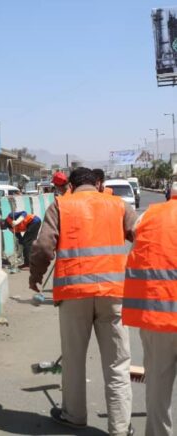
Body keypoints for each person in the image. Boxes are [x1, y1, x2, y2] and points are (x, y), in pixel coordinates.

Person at [29, 167, 136, 435]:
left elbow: (43, 247)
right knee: (118, 364)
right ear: (97, 184)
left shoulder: (61, 205)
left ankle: (74, 416)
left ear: (71, 186)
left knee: (74, 359)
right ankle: (120, 427)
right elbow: (143, 237)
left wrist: (36, 276)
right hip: (113, 293)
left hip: (73, 294)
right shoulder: (118, 205)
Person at [122, 181, 177, 436]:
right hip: (161, 314)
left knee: (157, 386)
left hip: (159, 315)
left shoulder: (149, 216)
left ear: (169, 195)